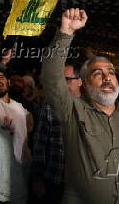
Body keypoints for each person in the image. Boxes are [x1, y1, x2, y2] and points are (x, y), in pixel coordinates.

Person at [41, 8, 119, 203]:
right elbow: (51, 78)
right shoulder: (73, 112)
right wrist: (65, 33)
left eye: (111, 72)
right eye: (97, 73)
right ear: (84, 82)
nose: (107, 77)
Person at [0, 37, 33, 203]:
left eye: (1, 77)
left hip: (20, 179)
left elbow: (28, 132)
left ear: (9, 82)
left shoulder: (21, 108)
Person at [32, 63, 82, 204]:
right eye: (60, 79)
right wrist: (38, 177)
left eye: (67, 79)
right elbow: (40, 144)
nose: (62, 83)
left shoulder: (90, 108)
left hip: (81, 182)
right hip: (54, 177)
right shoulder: (50, 106)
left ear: (80, 80)